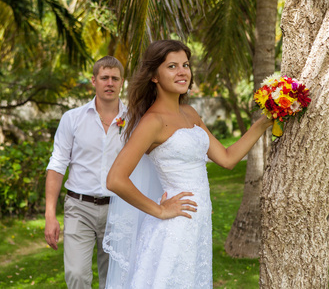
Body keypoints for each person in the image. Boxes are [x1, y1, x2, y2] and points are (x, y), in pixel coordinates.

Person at [103, 40, 273, 288]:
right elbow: (115, 179)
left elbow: (227, 158)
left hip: (199, 224)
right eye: (172, 66)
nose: (182, 71)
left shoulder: (190, 113)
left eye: (185, 64)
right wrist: (160, 210)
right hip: (175, 225)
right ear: (154, 76)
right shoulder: (153, 121)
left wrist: (264, 122)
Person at [44, 56, 127, 289]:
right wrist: (50, 215)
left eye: (115, 78)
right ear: (94, 81)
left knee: (114, 281)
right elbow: (57, 165)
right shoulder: (72, 118)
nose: (109, 83)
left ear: (122, 83)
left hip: (120, 209)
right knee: (77, 276)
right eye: (104, 78)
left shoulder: (134, 120)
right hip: (79, 207)